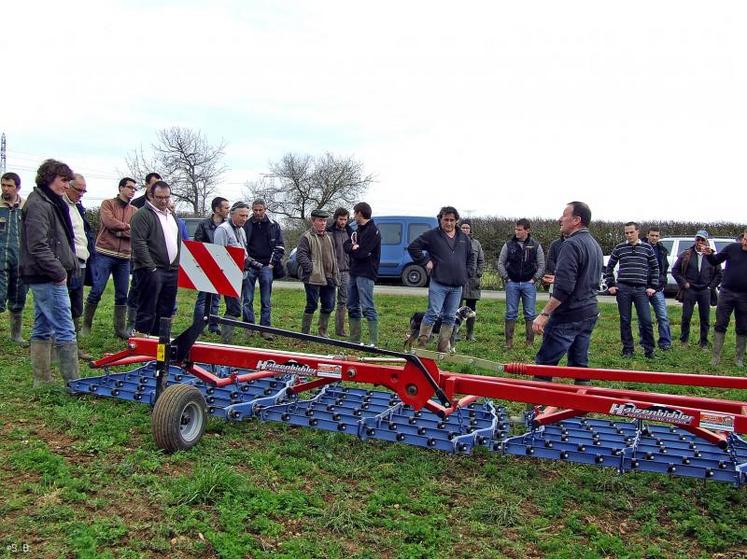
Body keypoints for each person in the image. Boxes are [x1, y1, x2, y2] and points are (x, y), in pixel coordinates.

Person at [20, 159, 81, 387]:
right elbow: (37, 245)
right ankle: (74, 382)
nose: (67, 185)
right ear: (48, 178)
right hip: (46, 275)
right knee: (65, 327)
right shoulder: (39, 204)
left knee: (43, 325)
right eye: (63, 180)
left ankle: (42, 381)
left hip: (47, 274)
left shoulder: (50, 201)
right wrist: (58, 272)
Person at [532, 202, 604, 384]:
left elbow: (564, 288)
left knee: (544, 365)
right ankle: (581, 406)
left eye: (564, 215)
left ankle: (535, 408)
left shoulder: (571, 245)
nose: (559, 219)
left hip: (568, 315)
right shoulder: (594, 244)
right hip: (588, 312)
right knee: (580, 366)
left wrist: (544, 314)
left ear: (576, 220)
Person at [407, 206, 475, 353]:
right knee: (433, 313)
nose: (449, 223)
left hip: (457, 285)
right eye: (446, 219)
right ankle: (422, 346)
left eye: (452, 220)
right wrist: (426, 261)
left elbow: (471, 258)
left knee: (450, 317)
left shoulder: (464, 238)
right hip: (438, 283)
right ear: (440, 219)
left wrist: (467, 273)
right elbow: (413, 247)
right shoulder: (432, 235)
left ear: (456, 220)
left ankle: (442, 349)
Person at [81, 177, 137, 339]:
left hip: (124, 257)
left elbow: (136, 231)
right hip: (105, 253)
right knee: (97, 289)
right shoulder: (108, 204)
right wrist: (126, 227)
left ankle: (119, 329)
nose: (132, 190)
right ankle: (86, 325)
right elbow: (109, 222)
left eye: (134, 188)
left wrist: (120, 230)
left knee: (122, 293)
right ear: (121, 188)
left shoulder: (135, 211)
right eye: (129, 187)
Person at [130, 181, 180, 335]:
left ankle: (160, 342)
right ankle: (141, 340)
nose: (164, 201)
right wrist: (150, 267)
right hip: (152, 269)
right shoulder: (143, 215)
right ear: (151, 195)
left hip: (171, 270)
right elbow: (138, 243)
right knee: (147, 308)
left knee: (166, 308)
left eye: (167, 197)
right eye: (159, 197)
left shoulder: (171, 215)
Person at [605, 222, 659, 358]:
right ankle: (628, 349)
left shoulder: (647, 248)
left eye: (631, 232)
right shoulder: (619, 248)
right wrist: (611, 284)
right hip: (623, 288)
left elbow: (655, 268)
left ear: (637, 232)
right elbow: (609, 267)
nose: (629, 235)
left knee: (646, 320)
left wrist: (652, 286)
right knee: (625, 320)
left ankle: (649, 350)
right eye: (626, 233)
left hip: (641, 289)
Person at [496, 218, 545, 348]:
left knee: (530, 313)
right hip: (512, 283)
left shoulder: (536, 245)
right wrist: (506, 278)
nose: (516, 231)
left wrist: (534, 279)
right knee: (511, 312)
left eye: (519, 229)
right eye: (516, 229)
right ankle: (508, 343)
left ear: (527, 230)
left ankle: (529, 343)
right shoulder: (508, 245)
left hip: (529, 284)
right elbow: (500, 263)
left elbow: (541, 265)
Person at [241, 199, 285, 341]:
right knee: (247, 299)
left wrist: (272, 264)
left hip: (267, 265)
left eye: (260, 210)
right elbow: (241, 245)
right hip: (250, 265)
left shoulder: (274, 225)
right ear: (252, 210)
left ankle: (265, 328)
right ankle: (249, 328)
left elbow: (280, 246)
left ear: (265, 209)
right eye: (255, 210)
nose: (258, 212)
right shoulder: (246, 225)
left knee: (266, 299)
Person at [63, 174, 95, 360]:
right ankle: (59, 348)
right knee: (63, 306)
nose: (81, 194)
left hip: (81, 262)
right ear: (68, 186)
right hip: (67, 262)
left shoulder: (78, 207)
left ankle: (72, 347)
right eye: (78, 190)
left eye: (84, 190)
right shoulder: (60, 206)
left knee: (76, 305)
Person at [671, 230, 722, 348]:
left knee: (705, 318)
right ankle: (684, 341)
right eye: (697, 239)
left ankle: (703, 342)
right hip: (690, 289)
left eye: (702, 240)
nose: (699, 242)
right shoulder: (686, 254)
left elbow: (719, 274)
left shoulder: (711, 255)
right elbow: (675, 271)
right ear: (695, 240)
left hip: (705, 290)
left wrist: (711, 287)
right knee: (686, 316)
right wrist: (684, 283)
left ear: (706, 241)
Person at [125, 172, 162, 334]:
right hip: (141, 255)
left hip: (159, 257)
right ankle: (131, 323)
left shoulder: (164, 206)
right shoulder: (137, 204)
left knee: (155, 292)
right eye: (154, 184)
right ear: (147, 185)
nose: (156, 188)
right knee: (136, 288)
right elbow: (133, 231)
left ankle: (154, 326)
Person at [706, 229, 747, 367]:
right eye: (744, 239)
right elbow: (715, 260)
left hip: (745, 296)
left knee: (743, 326)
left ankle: (739, 358)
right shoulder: (732, 248)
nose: (744, 243)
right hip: (726, 293)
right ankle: (715, 357)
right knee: (720, 323)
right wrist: (709, 254)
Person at [213, 202, 251, 344]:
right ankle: (226, 341)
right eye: (241, 215)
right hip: (228, 275)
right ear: (232, 214)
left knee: (236, 307)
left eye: (247, 216)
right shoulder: (223, 229)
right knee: (234, 309)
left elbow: (243, 250)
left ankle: (227, 339)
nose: (244, 218)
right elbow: (218, 254)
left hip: (241, 274)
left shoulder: (241, 230)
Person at [297, 209, 339, 337]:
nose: (323, 223)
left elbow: (334, 255)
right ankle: (305, 333)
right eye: (320, 220)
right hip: (313, 277)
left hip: (329, 276)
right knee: (312, 305)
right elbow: (301, 255)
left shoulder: (329, 236)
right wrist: (311, 268)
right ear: (313, 221)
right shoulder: (306, 237)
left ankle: (322, 332)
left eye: (325, 220)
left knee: (329, 305)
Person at [344, 202, 381, 345]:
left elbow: (363, 253)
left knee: (367, 306)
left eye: (354, 213)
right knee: (352, 305)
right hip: (353, 272)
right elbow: (346, 245)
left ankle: (373, 341)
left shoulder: (373, 231)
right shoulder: (357, 230)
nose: (353, 216)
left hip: (366, 273)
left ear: (360, 213)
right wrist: (353, 246)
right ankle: (354, 339)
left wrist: (355, 249)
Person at [192, 196, 230, 335]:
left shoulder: (228, 226)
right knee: (203, 297)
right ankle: (198, 324)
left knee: (216, 297)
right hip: (207, 265)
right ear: (217, 209)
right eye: (226, 208)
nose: (228, 210)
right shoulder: (204, 225)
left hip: (221, 266)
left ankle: (213, 325)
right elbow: (197, 243)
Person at [0, 171, 28, 345]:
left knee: (19, 296)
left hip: (21, 260)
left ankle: (15, 334)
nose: (5, 188)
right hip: (0, 258)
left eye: (9, 185)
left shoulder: (26, 206)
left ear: (17, 187)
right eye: (3, 185)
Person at [641, 227, 672, 350]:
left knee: (663, 317)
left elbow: (664, 268)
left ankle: (665, 343)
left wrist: (661, 283)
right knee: (643, 318)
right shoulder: (640, 248)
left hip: (657, 288)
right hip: (642, 288)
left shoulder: (662, 250)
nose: (654, 238)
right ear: (647, 235)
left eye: (656, 236)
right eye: (652, 235)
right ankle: (645, 342)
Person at [458, 219, 485, 341]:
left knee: (472, 308)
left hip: (473, 281)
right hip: (458, 279)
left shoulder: (476, 244)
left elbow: (481, 260)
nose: (465, 230)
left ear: (470, 230)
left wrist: (478, 273)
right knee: (456, 307)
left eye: (467, 228)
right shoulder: (455, 241)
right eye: (463, 227)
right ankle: (455, 332)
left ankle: (470, 333)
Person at [328, 207, 353, 337]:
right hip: (332, 270)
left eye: (345, 219)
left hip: (346, 271)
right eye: (341, 219)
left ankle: (340, 330)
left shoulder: (351, 233)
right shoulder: (329, 232)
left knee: (343, 301)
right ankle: (323, 329)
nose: (343, 222)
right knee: (329, 300)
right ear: (336, 218)